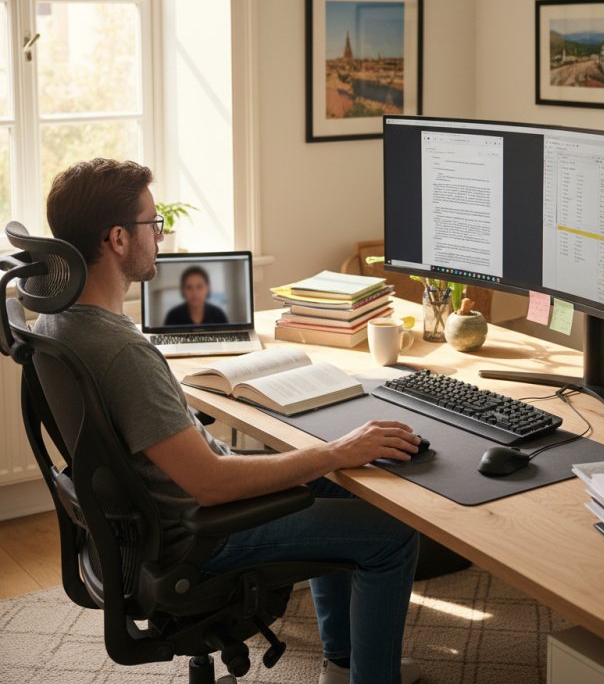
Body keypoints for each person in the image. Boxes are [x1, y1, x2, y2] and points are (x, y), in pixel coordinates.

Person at [36, 158, 422, 684]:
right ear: (119, 239)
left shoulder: (55, 321)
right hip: (197, 534)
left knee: (335, 481)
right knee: (392, 534)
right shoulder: (120, 351)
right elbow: (210, 484)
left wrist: (324, 462)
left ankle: (342, 664)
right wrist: (333, 452)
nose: (161, 236)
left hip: (149, 523)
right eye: (154, 224)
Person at [164, 265, 228, 325]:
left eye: (199, 287)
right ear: (183, 290)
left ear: (208, 288)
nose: (194, 293)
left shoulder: (218, 315)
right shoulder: (173, 316)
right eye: (189, 287)